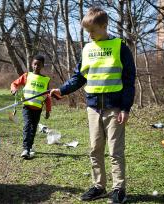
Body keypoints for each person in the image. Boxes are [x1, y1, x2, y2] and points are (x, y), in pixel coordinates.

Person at [50, 7, 136, 204]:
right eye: (87, 32)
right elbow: (79, 77)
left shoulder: (120, 47)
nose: (90, 35)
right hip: (93, 108)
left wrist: (125, 108)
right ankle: (99, 186)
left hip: (114, 108)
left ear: (104, 26)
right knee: (95, 149)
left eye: (93, 31)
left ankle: (118, 189)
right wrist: (61, 90)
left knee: (115, 151)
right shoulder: (87, 49)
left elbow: (129, 80)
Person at [11, 54, 52, 159]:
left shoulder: (46, 80)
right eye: (34, 64)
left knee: (33, 129)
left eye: (39, 65)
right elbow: (14, 84)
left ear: (42, 66)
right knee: (27, 126)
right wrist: (14, 89)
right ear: (31, 64)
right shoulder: (26, 76)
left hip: (38, 109)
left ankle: (29, 146)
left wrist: (48, 110)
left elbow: (47, 97)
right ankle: (26, 148)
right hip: (27, 107)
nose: (36, 67)